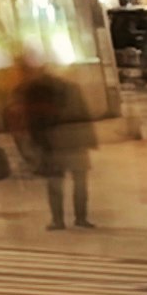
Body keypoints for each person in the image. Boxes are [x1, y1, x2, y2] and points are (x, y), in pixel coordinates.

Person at [12, 49, 95, 229]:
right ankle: (81, 218)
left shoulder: (34, 90)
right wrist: (90, 140)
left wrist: (36, 144)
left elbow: (34, 120)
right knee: (80, 182)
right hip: (76, 141)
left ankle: (58, 220)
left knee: (55, 182)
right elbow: (84, 115)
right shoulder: (72, 87)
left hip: (53, 144)